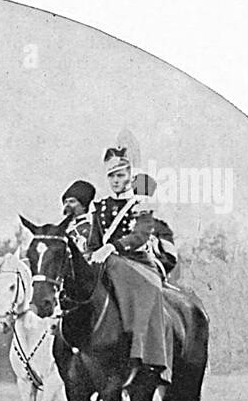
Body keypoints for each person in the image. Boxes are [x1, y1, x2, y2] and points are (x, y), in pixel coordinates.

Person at [86, 147, 173, 385]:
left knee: (150, 288)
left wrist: (112, 248)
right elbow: (94, 240)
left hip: (136, 262)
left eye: (121, 175)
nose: (116, 180)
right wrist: (92, 253)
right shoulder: (100, 206)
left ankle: (143, 351)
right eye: (112, 176)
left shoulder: (140, 203)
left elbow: (140, 236)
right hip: (105, 259)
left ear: (130, 176)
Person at [59, 180, 96, 253]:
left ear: (84, 206)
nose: (67, 205)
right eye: (65, 202)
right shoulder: (63, 230)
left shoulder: (90, 230)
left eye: (72, 201)